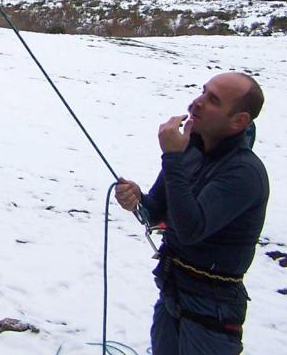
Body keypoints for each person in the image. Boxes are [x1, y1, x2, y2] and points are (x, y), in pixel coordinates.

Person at [115, 71, 269, 354]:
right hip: (172, 295)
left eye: (213, 100)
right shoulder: (191, 150)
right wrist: (136, 199)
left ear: (239, 121)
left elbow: (190, 229)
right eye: (202, 91)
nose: (197, 102)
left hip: (212, 313)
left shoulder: (245, 173)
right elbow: (157, 209)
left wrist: (172, 158)